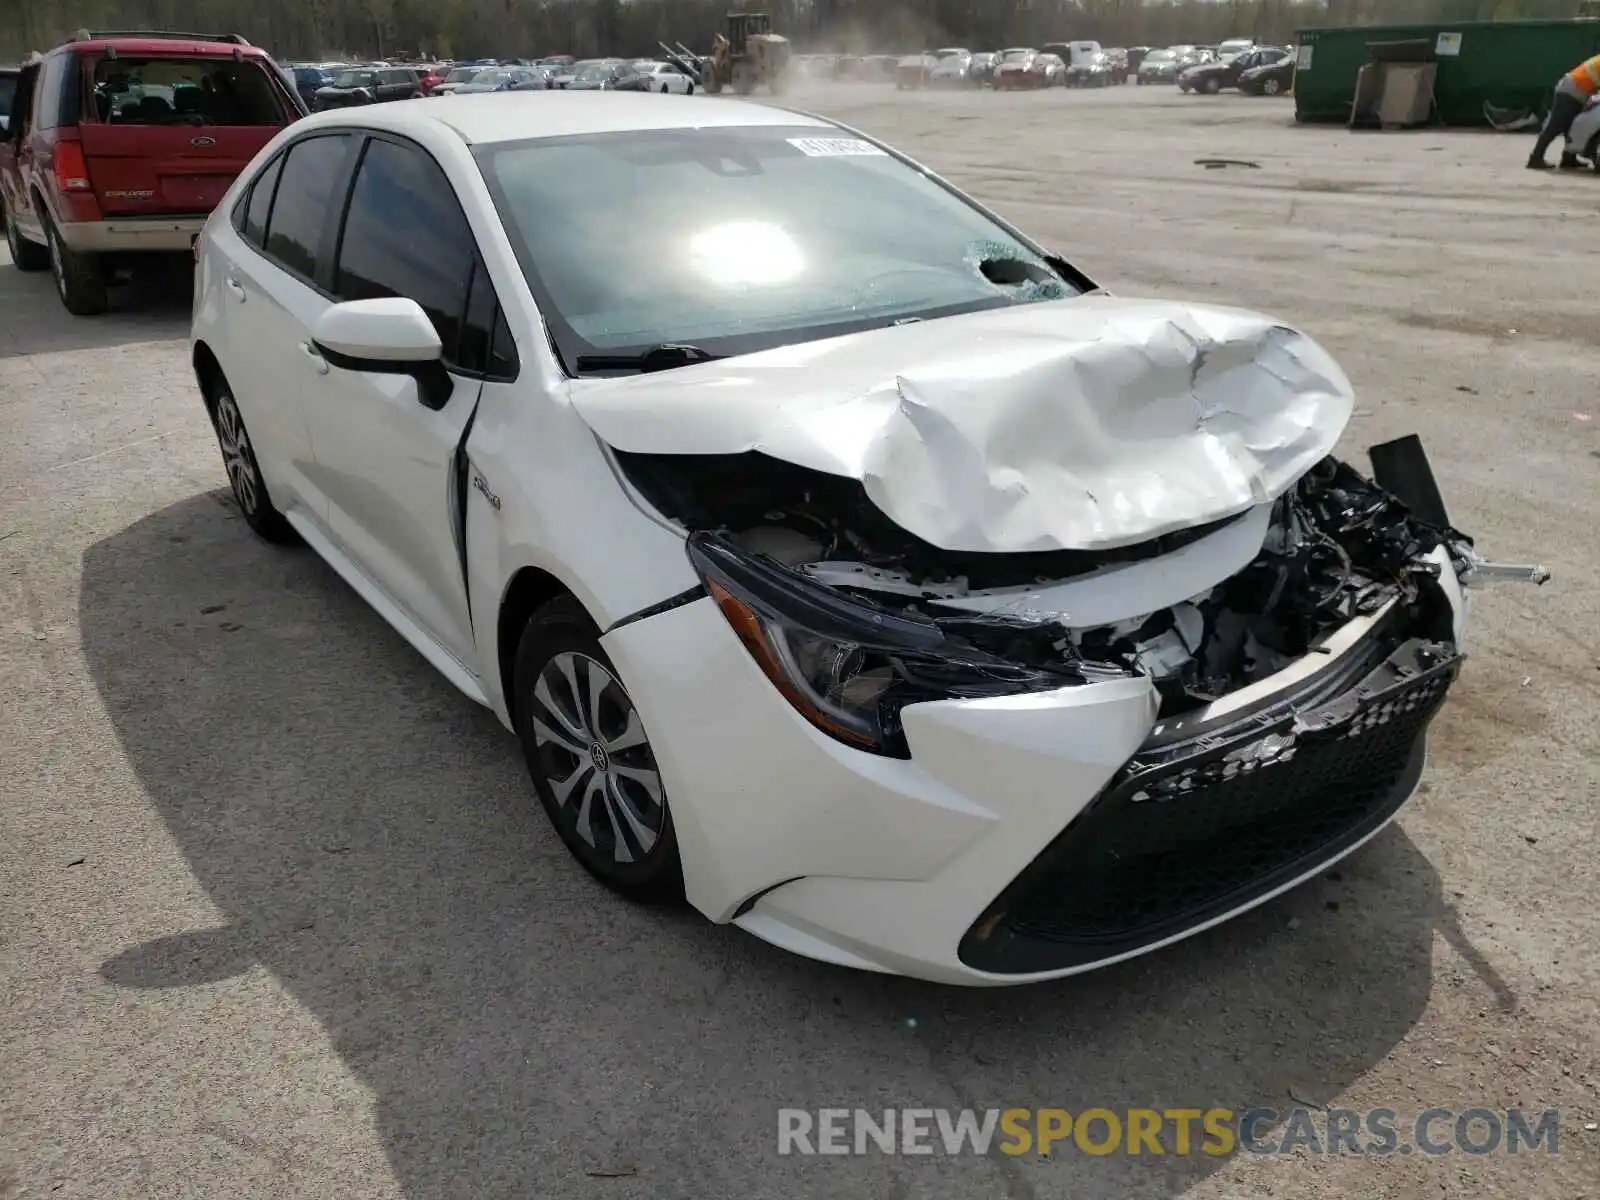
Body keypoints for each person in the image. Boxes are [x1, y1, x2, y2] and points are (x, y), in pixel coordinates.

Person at [1527, 52, 1600, 170]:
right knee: (1555, 126)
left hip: (1577, 90)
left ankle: (1568, 158)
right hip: (1571, 90)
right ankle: (1535, 158)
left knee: (1571, 126)